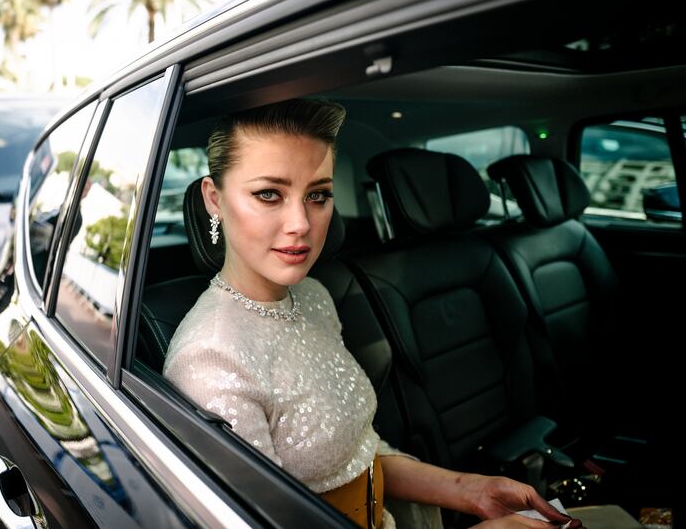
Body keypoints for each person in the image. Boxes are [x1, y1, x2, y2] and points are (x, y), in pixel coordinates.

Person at [163, 99, 577, 529]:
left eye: (318, 195)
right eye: (269, 194)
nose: (301, 223)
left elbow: (358, 453)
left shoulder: (313, 296)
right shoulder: (210, 360)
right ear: (214, 199)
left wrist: (469, 490)